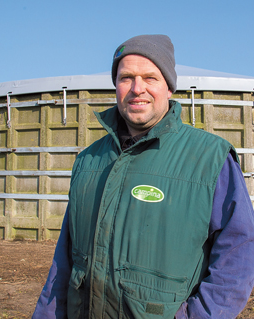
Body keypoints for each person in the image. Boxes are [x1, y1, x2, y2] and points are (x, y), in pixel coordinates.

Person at [32, 35, 254, 318]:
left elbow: (239, 256)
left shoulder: (210, 159)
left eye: (150, 77)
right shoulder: (88, 161)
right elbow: (63, 262)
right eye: (126, 78)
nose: (138, 89)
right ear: (116, 86)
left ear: (169, 87)